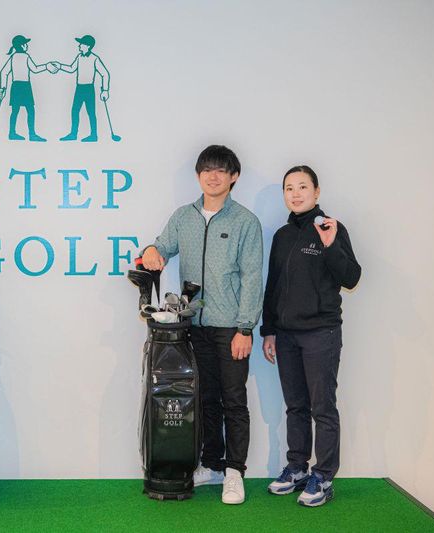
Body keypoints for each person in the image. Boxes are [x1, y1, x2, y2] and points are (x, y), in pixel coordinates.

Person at [141, 145, 263, 505]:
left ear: (233, 177)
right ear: (198, 176)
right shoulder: (184, 216)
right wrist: (152, 251)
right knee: (204, 398)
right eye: (207, 170)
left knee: (234, 400)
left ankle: (234, 472)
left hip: (231, 328)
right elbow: (161, 248)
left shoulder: (245, 222)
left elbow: (252, 277)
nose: (213, 176)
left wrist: (245, 328)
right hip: (193, 326)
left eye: (221, 170)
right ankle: (211, 464)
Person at [261, 165, 361, 507]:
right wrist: (269, 330)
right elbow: (273, 285)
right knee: (296, 406)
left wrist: (330, 246)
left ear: (316, 192)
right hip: (286, 336)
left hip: (321, 332)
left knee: (323, 407)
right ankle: (297, 467)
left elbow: (351, 277)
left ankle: (324, 475)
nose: (295, 193)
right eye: (289, 188)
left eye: (303, 186)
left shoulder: (331, 228)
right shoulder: (281, 235)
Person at [54, 35, 110, 142]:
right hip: (79, 88)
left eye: (82, 44)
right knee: (75, 111)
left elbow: (105, 74)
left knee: (91, 112)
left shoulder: (94, 58)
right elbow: (71, 68)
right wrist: (60, 66)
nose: (79, 45)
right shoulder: (79, 57)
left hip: (89, 89)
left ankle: (93, 135)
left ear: (88, 46)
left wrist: (105, 90)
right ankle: (73, 134)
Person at [0, 35, 53, 142]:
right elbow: (35, 69)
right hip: (25, 86)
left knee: (15, 111)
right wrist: (46, 66)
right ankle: (32, 134)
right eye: (25, 43)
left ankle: (12, 133)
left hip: (16, 86)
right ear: (22, 45)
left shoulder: (13, 57)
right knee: (30, 110)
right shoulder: (25, 56)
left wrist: (3, 88)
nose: (27, 45)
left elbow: (4, 72)